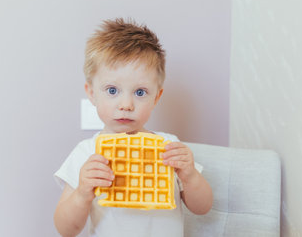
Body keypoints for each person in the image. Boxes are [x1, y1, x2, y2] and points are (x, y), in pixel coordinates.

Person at [54, 18, 213, 237]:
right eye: (112, 90)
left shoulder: (169, 146)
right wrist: (82, 193)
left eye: (140, 92)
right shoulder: (85, 153)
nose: (126, 105)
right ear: (92, 93)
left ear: (156, 97)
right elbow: (65, 230)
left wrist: (191, 176)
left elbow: (202, 208)